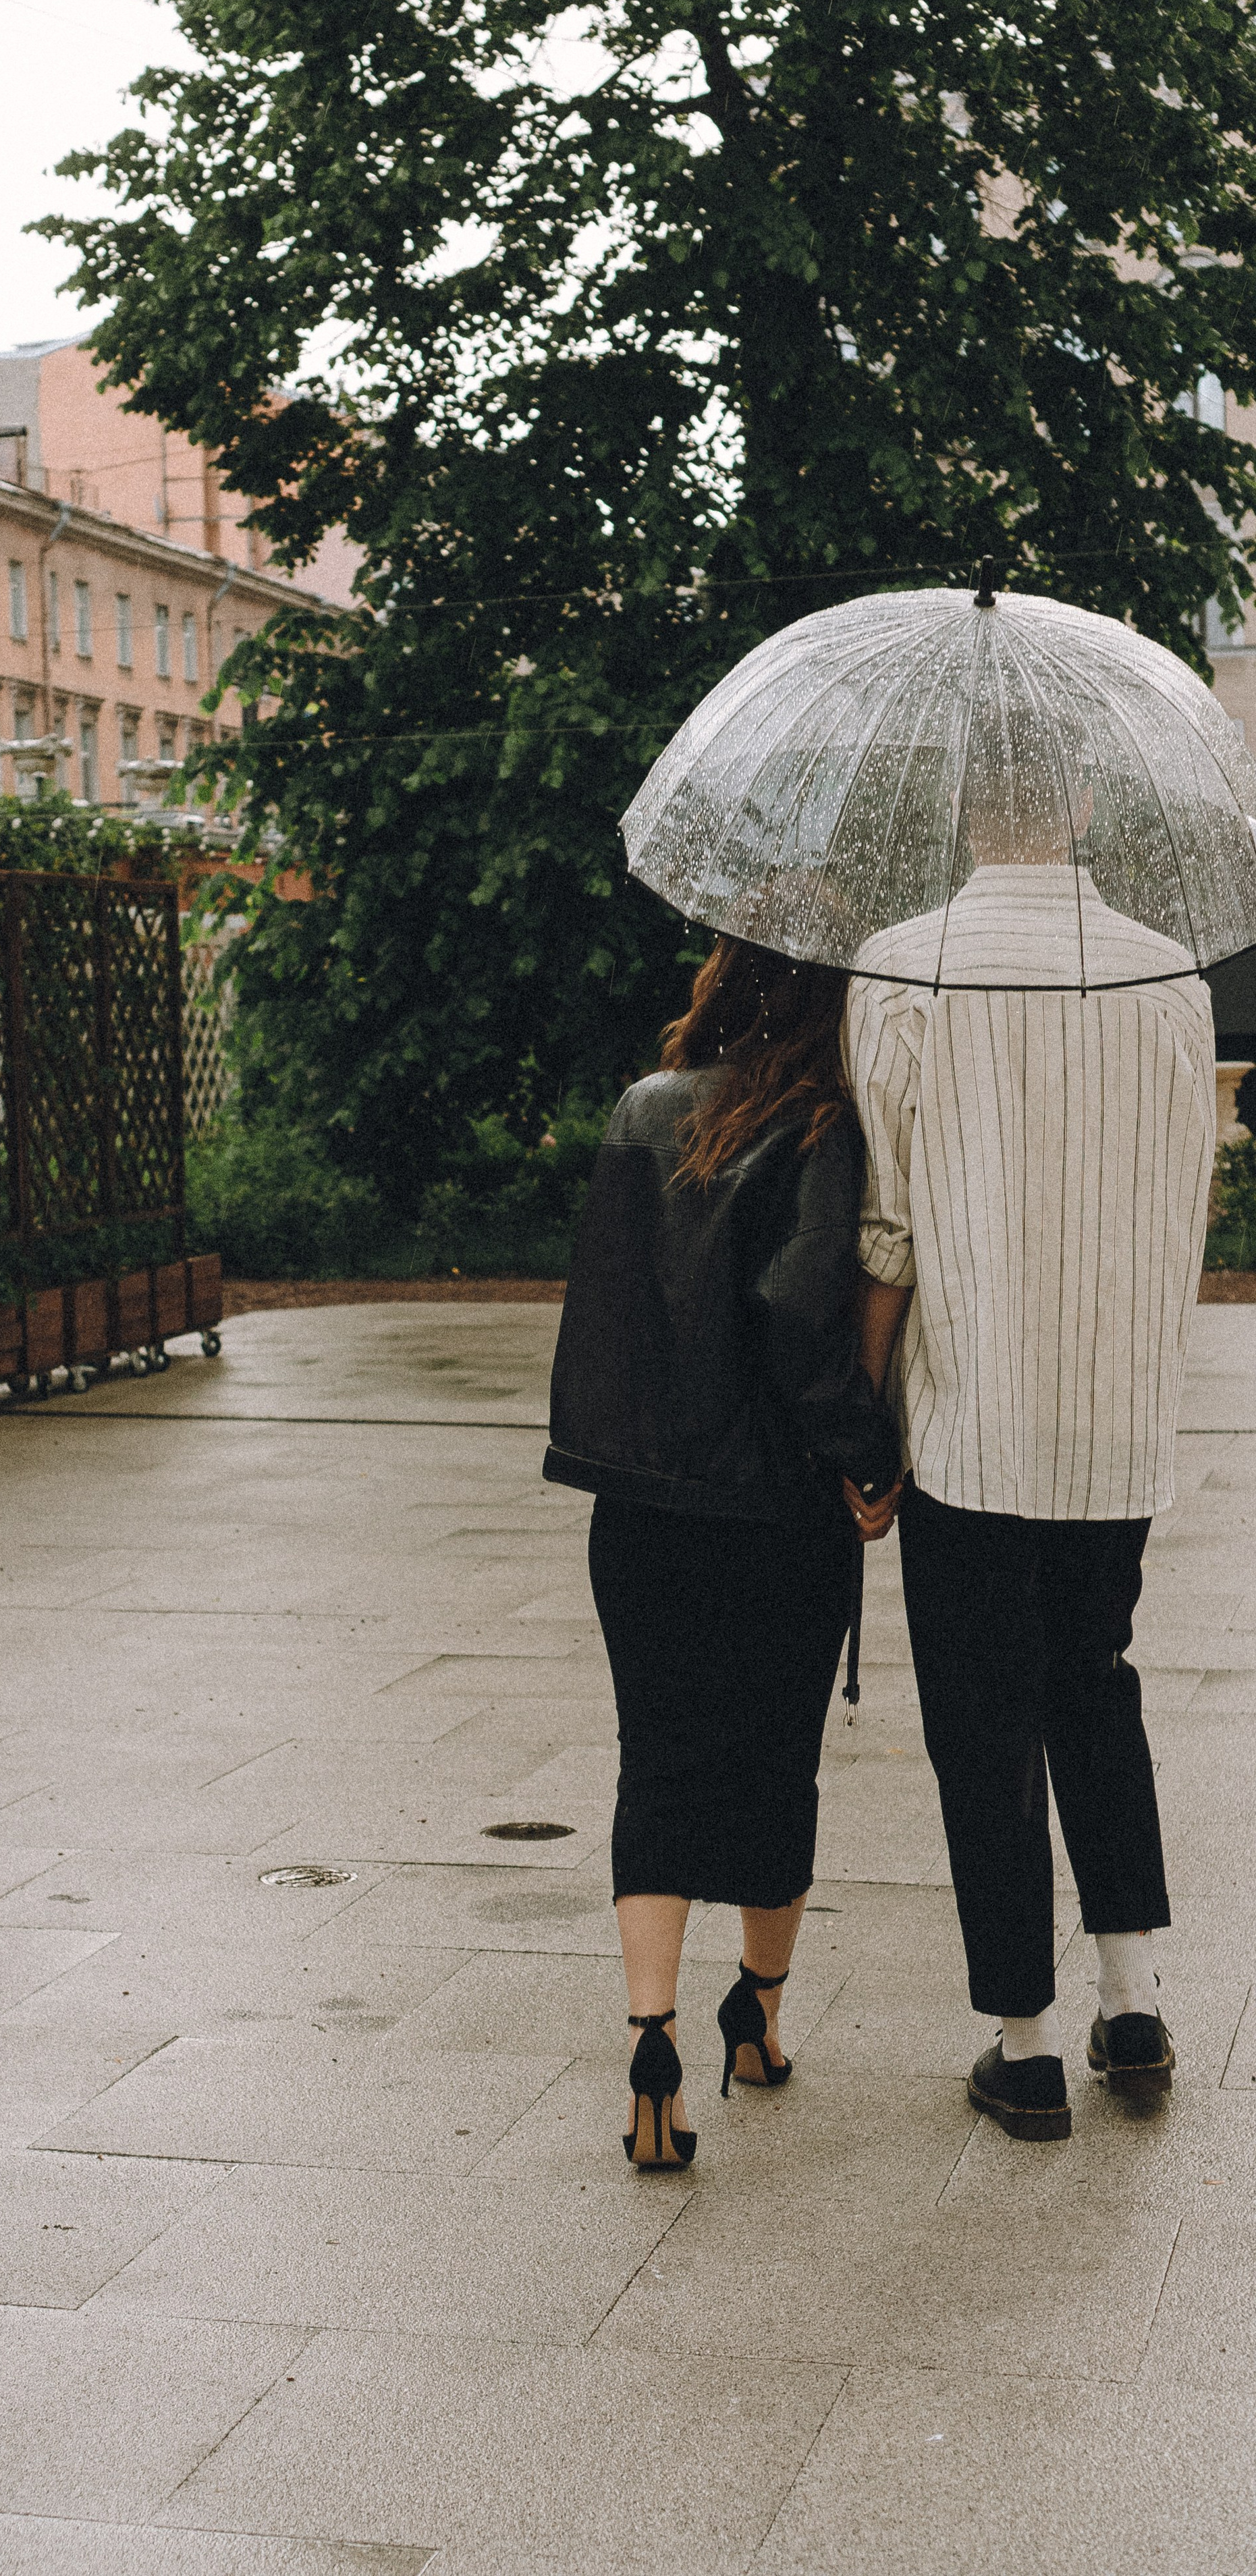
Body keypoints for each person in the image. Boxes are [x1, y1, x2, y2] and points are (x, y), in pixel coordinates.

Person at [843, 728, 1217, 2142]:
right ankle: (1134, 2002)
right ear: (1081, 805)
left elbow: (886, 1226)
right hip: (1110, 1416)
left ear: (959, 812)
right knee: (1095, 1687)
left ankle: (1027, 2045)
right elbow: (1186, 1193)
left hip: (969, 1417)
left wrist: (863, 1420)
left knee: (981, 1723)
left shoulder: (902, 968)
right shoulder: (1167, 975)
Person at [545, 939, 902, 2168]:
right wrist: (868, 1454)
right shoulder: (824, 1128)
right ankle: (756, 2017)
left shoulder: (642, 1111)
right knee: (774, 1764)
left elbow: (606, 1304)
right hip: (773, 1514)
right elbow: (801, 1319)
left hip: (641, 1511)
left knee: (657, 1762)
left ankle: (652, 2045)